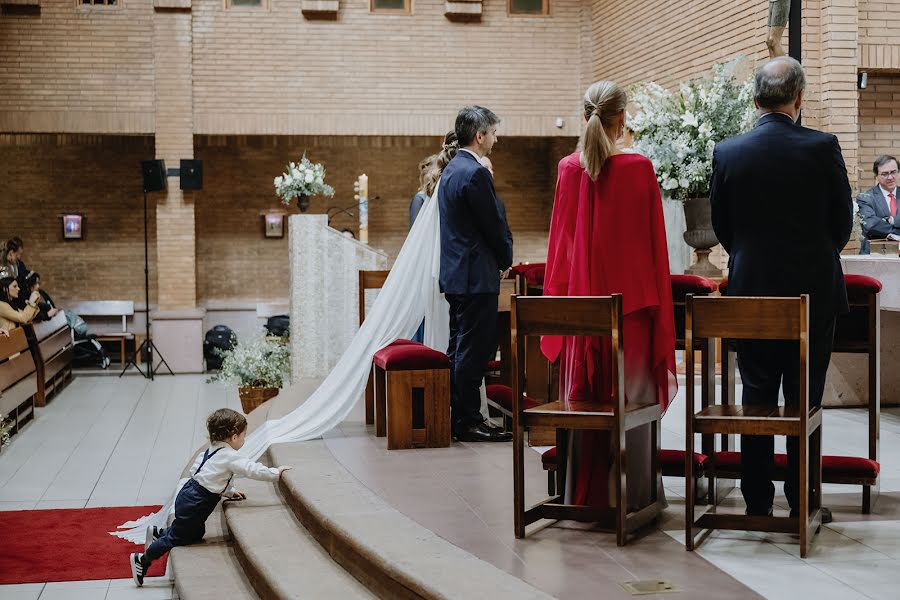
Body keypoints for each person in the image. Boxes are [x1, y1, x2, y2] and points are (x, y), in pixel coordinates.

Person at [710, 56, 852, 520]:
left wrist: (753, 258)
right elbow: (842, 225)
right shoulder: (823, 146)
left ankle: (756, 499)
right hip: (813, 291)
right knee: (805, 398)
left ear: (755, 100)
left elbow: (722, 228)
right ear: (800, 97)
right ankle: (802, 499)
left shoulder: (729, 151)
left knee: (756, 396)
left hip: (753, 291)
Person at [541, 81, 677, 508]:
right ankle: (633, 497)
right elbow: (656, 246)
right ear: (623, 119)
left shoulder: (568, 169)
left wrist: (560, 311)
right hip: (633, 312)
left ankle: (581, 495)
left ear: (585, 117)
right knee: (631, 403)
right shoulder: (640, 168)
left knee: (583, 399)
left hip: (582, 316)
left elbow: (559, 251)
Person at [131, 408, 292, 586]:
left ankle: (158, 533)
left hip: (189, 492)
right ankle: (142, 560)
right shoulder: (230, 456)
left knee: (196, 533)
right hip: (197, 502)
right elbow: (252, 469)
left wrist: (229, 492)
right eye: (243, 436)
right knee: (178, 538)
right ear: (233, 437)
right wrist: (275, 473)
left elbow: (208, 475)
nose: (244, 440)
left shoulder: (211, 450)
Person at [439, 106, 514, 443]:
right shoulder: (474, 173)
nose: (496, 139)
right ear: (480, 135)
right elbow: (493, 225)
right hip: (475, 276)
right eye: (494, 133)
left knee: (459, 347)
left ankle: (458, 415)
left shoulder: (452, 170)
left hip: (458, 275)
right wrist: (505, 256)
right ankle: (468, 420)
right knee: (474, 350)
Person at [857, 155, 900, 249]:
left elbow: (878, 225)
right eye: (884, 174)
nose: (890, 177)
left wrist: (891, 220)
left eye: (893, 172)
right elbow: (871, 225)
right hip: (876, 254)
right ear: (876, 177)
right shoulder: (865, 198)